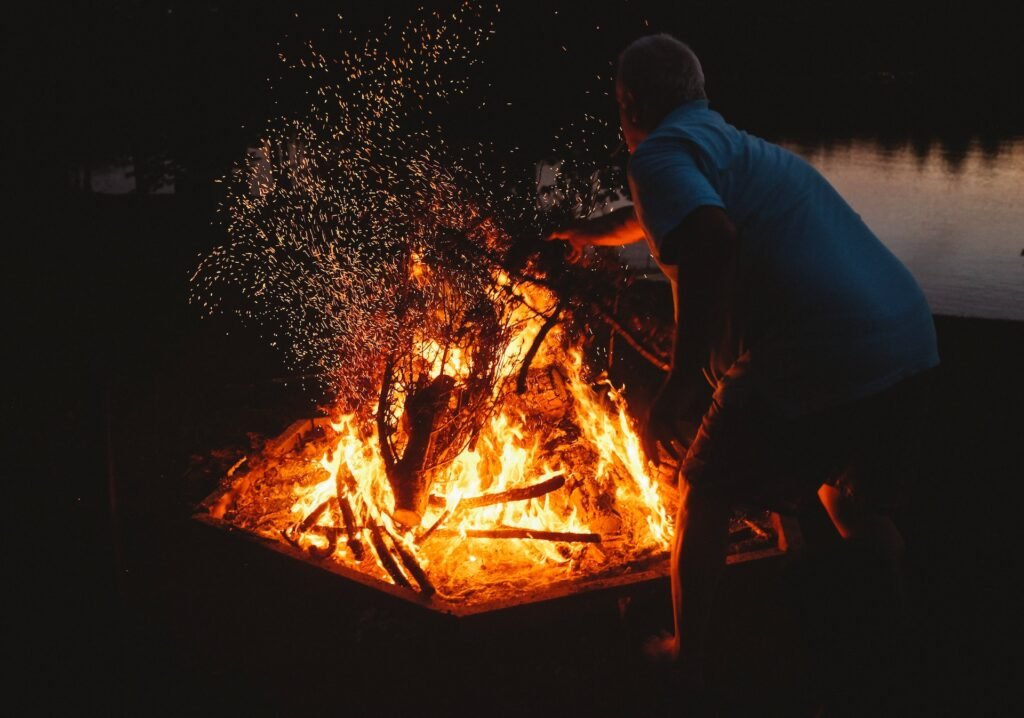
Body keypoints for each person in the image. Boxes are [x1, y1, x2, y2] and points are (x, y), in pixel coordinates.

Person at [550, 34, 939, 697]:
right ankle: (891, 646)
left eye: (620, 109)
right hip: (904, 340)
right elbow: (666, 218)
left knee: (702, 489)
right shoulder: (730, 148)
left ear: (630, 103)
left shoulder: (660, 156)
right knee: (849, 497)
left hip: (817, 352)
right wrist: (589, 234)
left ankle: (687, 661)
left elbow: (708, 239)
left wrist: (681, 378)